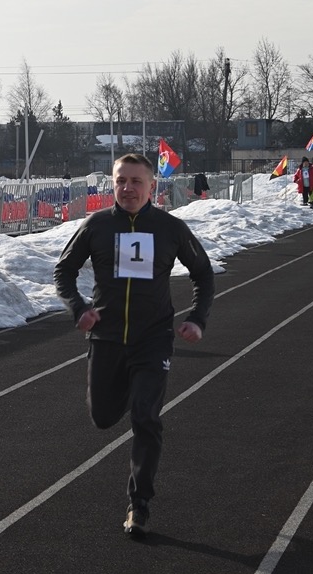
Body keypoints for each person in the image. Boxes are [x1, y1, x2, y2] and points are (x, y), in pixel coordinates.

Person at [53, 153, 215, 537]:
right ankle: (128, 388)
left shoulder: (170, 228)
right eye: (121, 181)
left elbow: (204, 274)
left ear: (151, 187)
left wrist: (197, 318)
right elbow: (64, 270)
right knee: (103, 417)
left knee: (146, 418)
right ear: (113, 184)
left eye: (136, 182)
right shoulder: (97, 226)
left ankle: (139, 504)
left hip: (152, 340)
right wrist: (79, 308)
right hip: (106, 339)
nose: (127, 188)